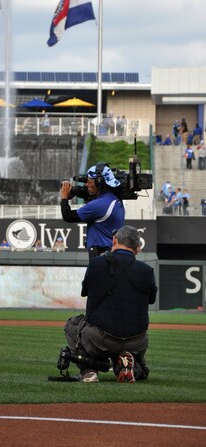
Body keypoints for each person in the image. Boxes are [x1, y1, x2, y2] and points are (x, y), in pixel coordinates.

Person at [63, 225, 158, 383]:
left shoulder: (96, 264)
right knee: (142, 369)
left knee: (72, 325)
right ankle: (127, 365)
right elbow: (151, 300)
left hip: (100, 339)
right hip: (136, 341)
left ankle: (89, 371)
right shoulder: (147, 271)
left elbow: (85, 291)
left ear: (114, 240)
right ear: (138, 248)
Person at [60, 163, 125, 261]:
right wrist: (74, 192)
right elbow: (90, 194)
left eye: (89, 182)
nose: (86, 184)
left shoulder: (99, 204)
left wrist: (64, 197)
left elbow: (68, 216)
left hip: (101, 256)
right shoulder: (112, 199)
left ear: (99, 183)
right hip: (109, 254)